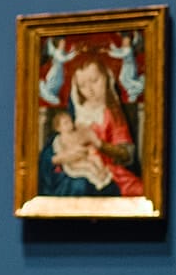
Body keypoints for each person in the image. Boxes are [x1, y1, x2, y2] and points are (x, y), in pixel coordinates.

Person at [38, 56, 143, 198]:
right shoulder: (73, 115)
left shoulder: (112, 114)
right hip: (69, 170)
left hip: (104, 170)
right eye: (82, 85)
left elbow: (126, 154)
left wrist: (97, 143)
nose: (90, 90)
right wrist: (59, 158)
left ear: (106, 78)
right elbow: (52, 149)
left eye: (94, 81)